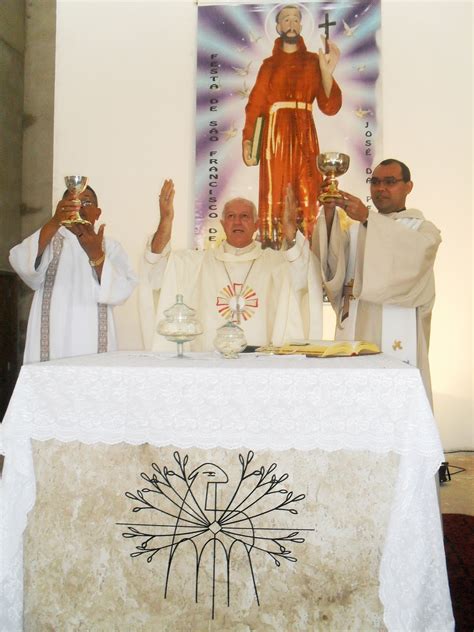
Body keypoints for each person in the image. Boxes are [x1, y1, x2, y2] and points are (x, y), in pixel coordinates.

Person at [312, 159, 441, 404]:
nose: (380, 188)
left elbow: (413, 259)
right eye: (376, 182)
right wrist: (328, 215)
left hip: (398, 327)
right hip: (356, 324)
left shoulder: (423, 230)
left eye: (390, 182)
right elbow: (332, 266)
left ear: (408, 187)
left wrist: (369, 219)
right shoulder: (354, 228)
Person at [139, 179, 322, 351]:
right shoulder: (198, 263)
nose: (237, 222)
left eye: (244, 216)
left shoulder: (274, 263)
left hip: (261, 362)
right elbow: (157, 265)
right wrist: (165, 222)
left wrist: (290, 230)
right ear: (222, 224)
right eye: (231, 216)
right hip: (210, 361)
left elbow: (301, 274)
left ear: (256, 224)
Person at [242, 4, 342, 244]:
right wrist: (248, 140)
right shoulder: (269, 65)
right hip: (275, 136)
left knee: (308, 187)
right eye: (286, 19)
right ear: (277, 27)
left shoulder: (312, 61)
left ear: (301, 26)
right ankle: (274, 247)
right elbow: (255, 105)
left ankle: (308, 245)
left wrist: (327, 71)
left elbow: (329, 107)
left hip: (305, 133)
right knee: (277, 189)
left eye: (296, 19)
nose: (291, 23)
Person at [9, 185, 137, 363]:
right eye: (73, 202)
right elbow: (22, 263)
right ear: (62, 207)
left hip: (93, 340)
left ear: (98, 213)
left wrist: (96, 255)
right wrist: (54, 222)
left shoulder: (109, 246)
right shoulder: (47, 239)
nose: (80, 207)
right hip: (52, 338)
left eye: (86, 201)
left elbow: (122, 291)